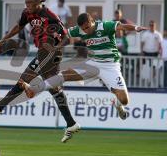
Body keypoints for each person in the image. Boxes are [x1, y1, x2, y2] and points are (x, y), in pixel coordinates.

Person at [20, 13, 148, 120]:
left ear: (93, 21)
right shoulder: (79, 29)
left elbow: (122, 26)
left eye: (88, 27)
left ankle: (119, 106)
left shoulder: (105, 26)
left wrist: (135, 28)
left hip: (111, 67)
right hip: (93, 64)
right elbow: (65, 33)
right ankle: (33, 89)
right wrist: (56, 42)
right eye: (84, 29)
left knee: (125, 100)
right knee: (63, 76)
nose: (86, 31)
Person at [0, 0, 79, 143]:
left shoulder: (50, 15)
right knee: (54, 88)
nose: (28, 6)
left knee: (24, 79)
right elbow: (18, 27)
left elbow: (66, 37)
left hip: (50, 52)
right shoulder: (27, 13)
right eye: (26, 4)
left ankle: (0, 106)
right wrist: (3, 40)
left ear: (39, 3)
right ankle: (71, 123)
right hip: (43, 52)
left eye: (31, 4)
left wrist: (56, 50)